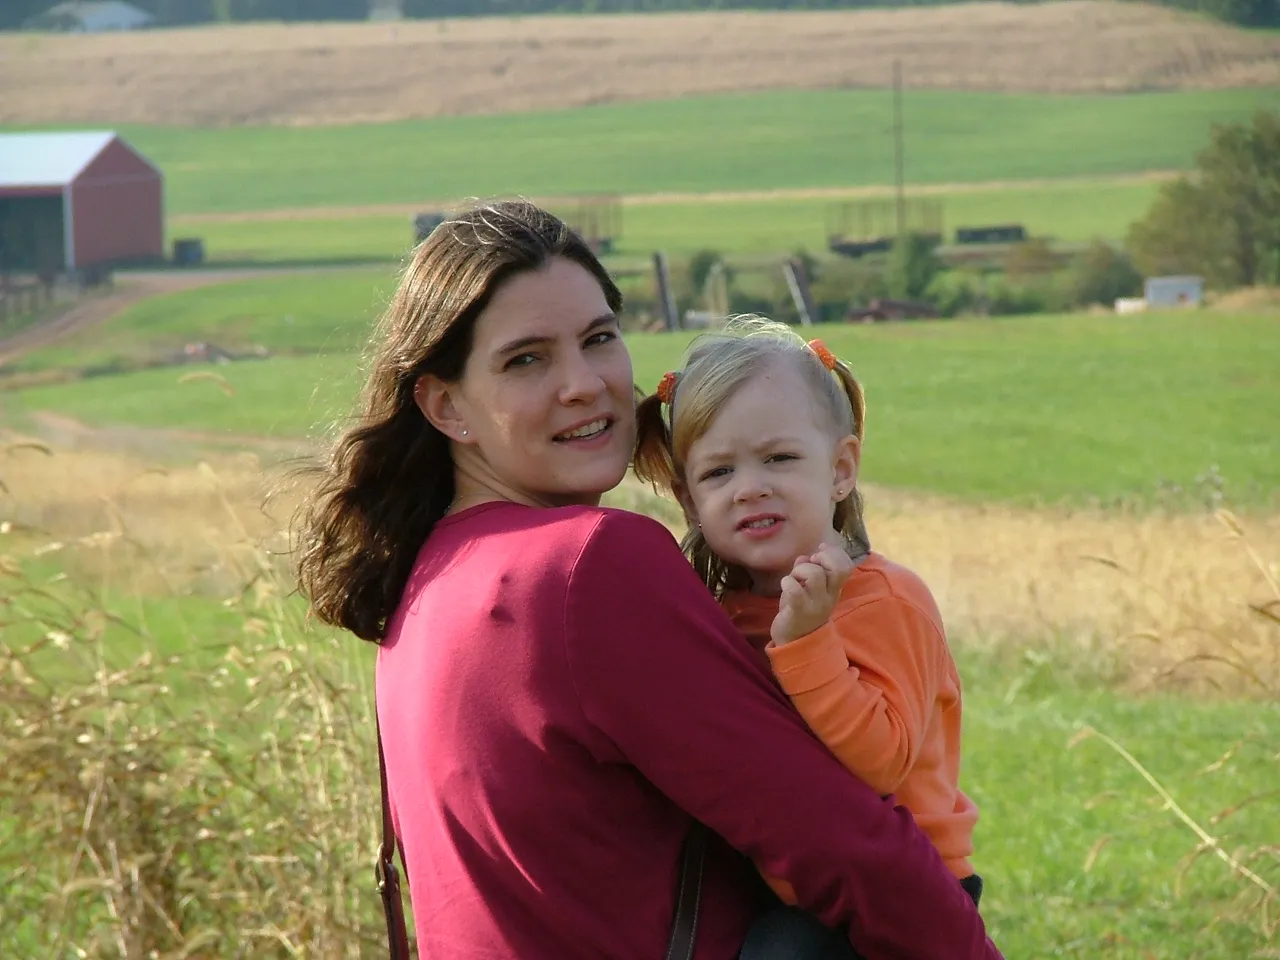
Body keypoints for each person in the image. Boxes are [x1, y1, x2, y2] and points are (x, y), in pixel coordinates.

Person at [295, 200, 1001, 960]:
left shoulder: (426, 582)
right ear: (444, 403)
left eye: (599, 339)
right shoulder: (585, 565)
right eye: (526, 359)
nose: (584, 384)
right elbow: (844, 844)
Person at [632, 318, 982, 955]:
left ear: (841, 469)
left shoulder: (884, 601)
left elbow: (882, 761)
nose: (750, 486)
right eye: (717, 473)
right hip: (783, 881)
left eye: (780, 458)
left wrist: (805, 644)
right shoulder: (717, 612)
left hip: (902, 890)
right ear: (688, 501)